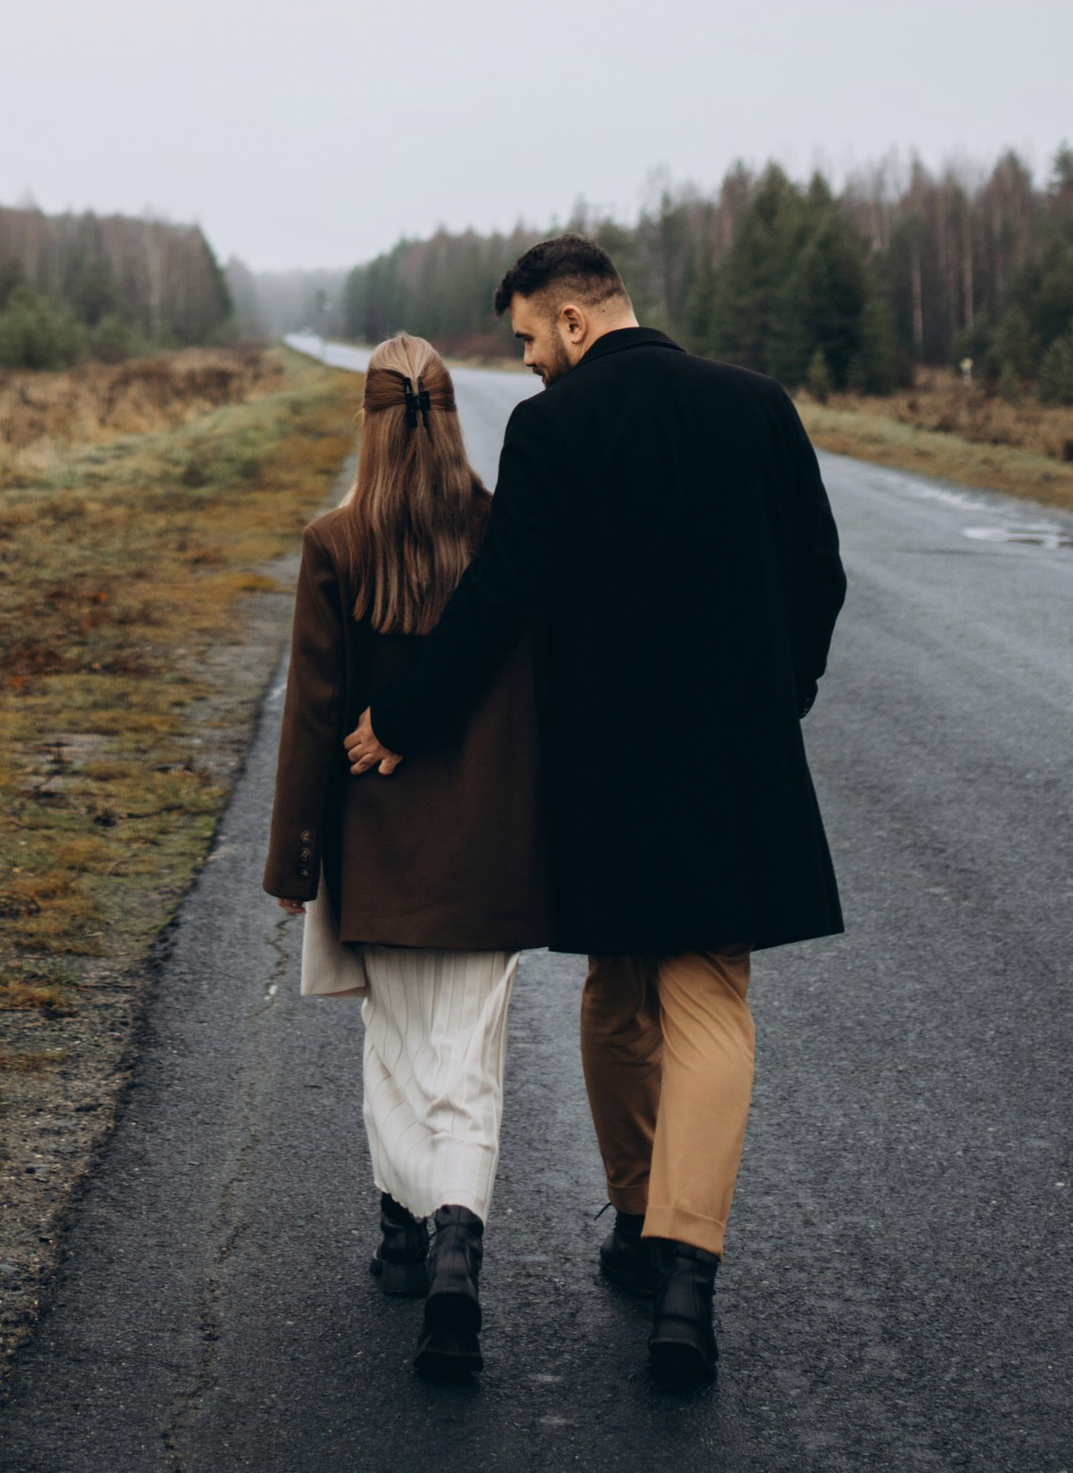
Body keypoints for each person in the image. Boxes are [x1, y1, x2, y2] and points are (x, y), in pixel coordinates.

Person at [347, 236, 848, 1393]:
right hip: (735, 760)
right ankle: (683, 1271)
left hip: (606, 772)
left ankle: (635, 1222)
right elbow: (816, 574)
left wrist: (405, 714)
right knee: (708, 995)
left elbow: (501, 597)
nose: (523, 362)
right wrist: (784, 696)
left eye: (526, 338)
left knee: (617, 991)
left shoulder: (556, 429)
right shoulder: (757, 406)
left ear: (574, 322)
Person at [263, 334, 548, 1384]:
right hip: (490, 852)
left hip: (377, 851)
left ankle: (403, 1235)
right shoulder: (500, 530)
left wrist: (295, 862)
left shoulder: (335, 542)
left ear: (369, 420)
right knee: (466, 1067)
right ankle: (455, 1243)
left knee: (394, 1054)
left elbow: (313, 719)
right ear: (448, 416)